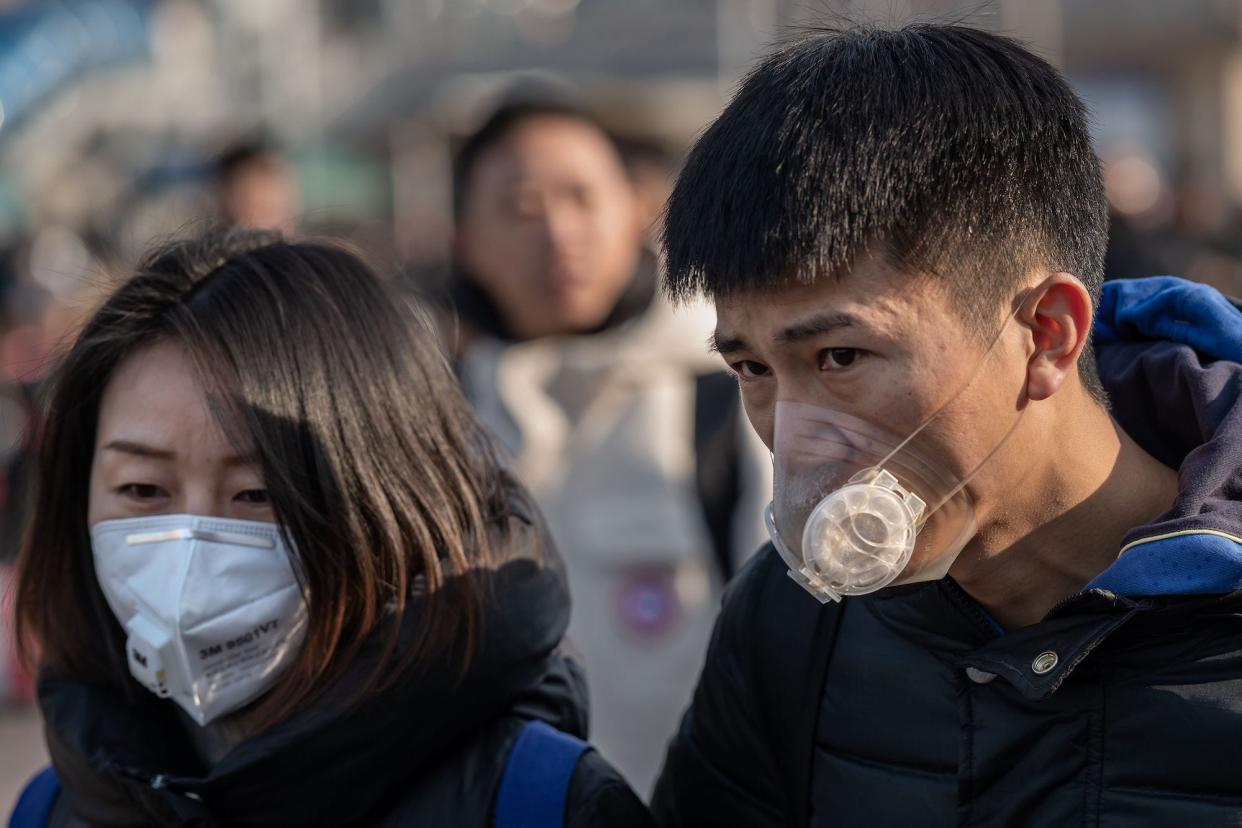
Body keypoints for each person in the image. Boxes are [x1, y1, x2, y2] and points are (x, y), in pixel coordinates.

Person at [651, 23, 1242, 827]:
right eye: (751, 368)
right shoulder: (792, 624)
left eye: (841, 357)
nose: (797, 435)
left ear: (1047, 334)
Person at [8, 229, 652, 827]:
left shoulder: (541, 803)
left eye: (258, 493)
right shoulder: (51, 809)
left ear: (388, 496)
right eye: (142, 489)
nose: (190, 551)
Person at [448, 94, 771, 795]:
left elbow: (789, 659)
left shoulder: (730, 397)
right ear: (464, 240)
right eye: (521, 208)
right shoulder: (437, 428)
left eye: (581, 197)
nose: (559, 233)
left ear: (636, 209)